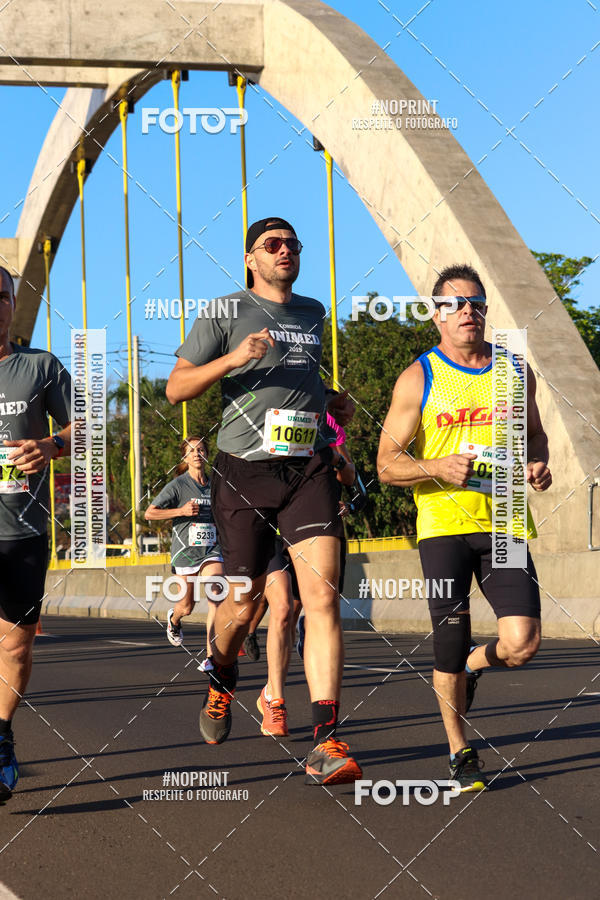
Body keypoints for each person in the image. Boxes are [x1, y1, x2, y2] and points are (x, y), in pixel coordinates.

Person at [166, 217, 362, 785]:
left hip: (307, 469)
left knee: (320, 599)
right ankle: (221, 675)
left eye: (292, 245)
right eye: (272, 246)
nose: (285, 252)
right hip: (244, 473)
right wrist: (233, 359)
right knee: (244, 605)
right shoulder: (224, 312)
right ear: (251, 258)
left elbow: (300, 382)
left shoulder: (313, 314)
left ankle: (325, 740)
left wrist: (332, 404)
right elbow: (177, 386)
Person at [377, 264, 552, 792]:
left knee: (522, 643)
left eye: (475, 303)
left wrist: (538, 465)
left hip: (504, 522)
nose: (467, 313)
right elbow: (386, 464)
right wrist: (436, 466)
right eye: (455, 305)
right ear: (436, 316)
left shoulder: (515, 371)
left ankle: (477, 665)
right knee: (446, 647)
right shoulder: (418, 377)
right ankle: (459, 749)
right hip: (443, 527)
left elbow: (537, 437)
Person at [0, 266, 72, 797]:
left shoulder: (40, 367)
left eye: (0, 296)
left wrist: (51, 446)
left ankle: (1, 738)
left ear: (11, 305)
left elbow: (85, 425)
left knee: (16, 647)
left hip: (22, 530)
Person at [145, 436, 224, 657]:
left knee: (216, 596)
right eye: (191, 451)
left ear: (207, 454)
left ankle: (212, 659)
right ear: (185, 457)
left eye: (200, 450)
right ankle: (174, 619)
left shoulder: (215, 483)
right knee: (187, 606)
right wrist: (181, 511)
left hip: (212, 550)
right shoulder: (178, 485)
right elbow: (149, 513)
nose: (196, 454)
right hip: (186, 552)